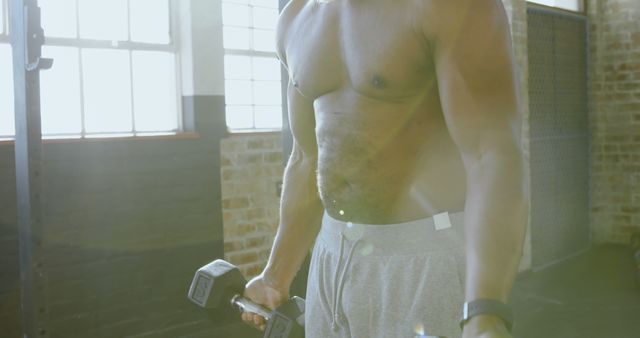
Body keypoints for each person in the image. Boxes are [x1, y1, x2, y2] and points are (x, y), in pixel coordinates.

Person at [242, 0, 529, 337]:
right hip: (332, 253)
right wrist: (276, 274)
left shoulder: (450, 6)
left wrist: (485, 310)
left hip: (425, 256)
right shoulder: (296, 17)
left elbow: (491, 155)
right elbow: (306, 158)